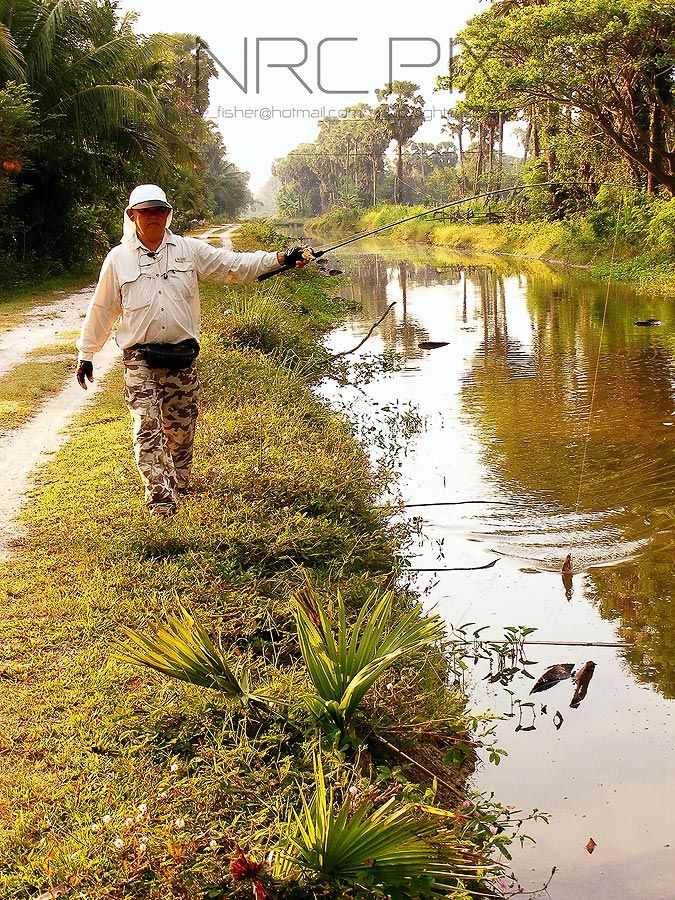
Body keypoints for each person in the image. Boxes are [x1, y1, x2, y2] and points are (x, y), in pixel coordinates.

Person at [76, 184, 312, 517]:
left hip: (181, 356)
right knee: (146, 425)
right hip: (139, 358)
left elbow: (233, 265)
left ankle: (181, 483)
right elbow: (102, 309)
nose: (154, 217)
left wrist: (281, 258)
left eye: (160, 211)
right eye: (146, 212)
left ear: (168, 214)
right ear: (133, 216)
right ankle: (159, 499)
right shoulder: (119, 259)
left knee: (181, 429)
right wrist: (86, 353)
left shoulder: (188, 250)